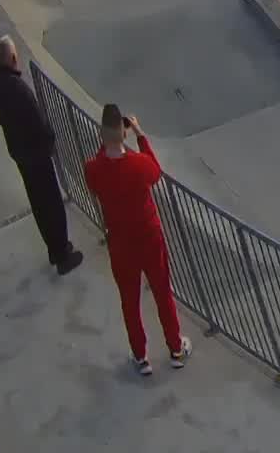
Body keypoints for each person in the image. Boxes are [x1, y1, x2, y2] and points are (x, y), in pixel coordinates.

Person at [84, 104, 189, 376]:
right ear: (124, 132)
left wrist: (107, 146)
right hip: (148, 237)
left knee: (129, 301)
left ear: (101, 134)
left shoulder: (93, 169)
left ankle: (141, 356)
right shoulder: (139, 164)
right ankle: (176, 348)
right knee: (162, 292)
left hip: (120, 243)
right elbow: (155, 171)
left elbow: (97, 175)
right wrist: (139, 136)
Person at [0, 36, 84, 276]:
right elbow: (38, 121)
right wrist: (50, 142)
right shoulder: (19, 88)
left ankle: (54, 250)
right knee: (51, 202)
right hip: (36, 155)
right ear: (12, 58)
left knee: (39, 204)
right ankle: (62, 253)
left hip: (20, 154)